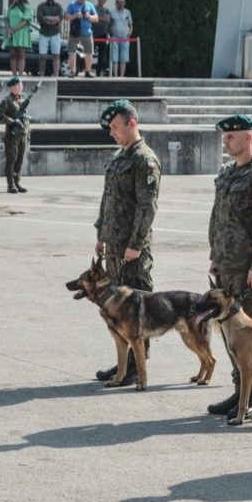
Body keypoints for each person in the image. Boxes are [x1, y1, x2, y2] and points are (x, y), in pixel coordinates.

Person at [206, 114, 252, 420]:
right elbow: (217, 218)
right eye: (225, 136)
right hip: (225, 269)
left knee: (251, 340)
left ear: (249, 137)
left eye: (232, 136)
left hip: (248, 272)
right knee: (231, 338)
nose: (227, 141)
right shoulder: (227, 173)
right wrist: (214, 255)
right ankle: (240, 391)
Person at [93, 99, 162, 384]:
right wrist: (101, 235)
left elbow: (147, 207)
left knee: (136, 310)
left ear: (132, 124)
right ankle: (124, 364)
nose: (112, 133)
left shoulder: (144, 159)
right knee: (116, 309)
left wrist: (135, 244)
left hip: (132, 251)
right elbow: (107, 200)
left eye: (115, 127)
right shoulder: (119, 157)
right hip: (113, 247)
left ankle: (137, 366)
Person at [0, 75, 31, 193]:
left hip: (23, 134)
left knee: (20, 159)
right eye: (17, 85)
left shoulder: (22, 100)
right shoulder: (7, 100)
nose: (20, 87)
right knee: (12, 159)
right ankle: (10, 184)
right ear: (11, 87)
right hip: (12, 135)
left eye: (20, 85)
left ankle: (17, 182)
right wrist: (11, 121)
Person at [65, 0, 98, 77]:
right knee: (72, 52)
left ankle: (87, 71)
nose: (82, 0)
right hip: (75, 32)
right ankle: (72, 71)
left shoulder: (90, 5)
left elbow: (96, 19)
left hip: (87, 32)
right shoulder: (71, 5)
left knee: (89, 52)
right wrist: (75, 15)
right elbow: (66, 17)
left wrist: (88, 17)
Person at [36, 0, 63, 77]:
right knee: (42, 56)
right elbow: (40, 18)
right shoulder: (41, 6)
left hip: (55, 33)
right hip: (43, 33)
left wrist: (47, 17)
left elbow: (60, 18)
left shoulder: (58, 6)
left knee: (56, 55)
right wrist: (53, 19)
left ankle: (55, 75)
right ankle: (42, 75)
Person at [5, 0, 32, 76]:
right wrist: (8, 29)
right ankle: (13, 74)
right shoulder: (11, 6)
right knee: (12, 54)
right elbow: (6, 18)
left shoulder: (27, 7)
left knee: (20, 54)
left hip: (21, 33)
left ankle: (20, 75)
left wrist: (14, 29)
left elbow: (26, 21)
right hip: (11, 33)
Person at [109, 0, 132, 77]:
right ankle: (115, 76)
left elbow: (131, 24)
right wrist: (111, 34)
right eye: (118, 2)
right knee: (115, 58)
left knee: (124, 58)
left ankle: (121, 76)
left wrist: (130, 32)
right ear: (115, 3)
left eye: (122, 2)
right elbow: (109, 24)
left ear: (124, 3)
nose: (120, 3)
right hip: (115, 37)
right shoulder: (112, 12)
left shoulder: (128, 12)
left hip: (125, 38)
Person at [92, 0, 111, 77]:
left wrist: (99, 18)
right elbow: (94, 19)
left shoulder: (107, 10)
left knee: (101, 54)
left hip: (103, 34)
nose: (102, 0)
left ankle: (98, 73)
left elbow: (107, 20)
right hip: (94, 34)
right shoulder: (93, 8)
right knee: (91, 53)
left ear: (106, 0)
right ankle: (88, 70)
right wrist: (101, 18)